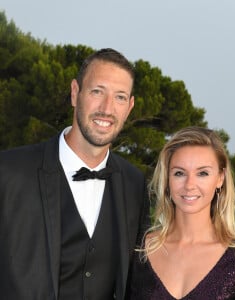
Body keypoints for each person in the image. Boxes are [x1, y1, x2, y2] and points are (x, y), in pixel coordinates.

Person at [0, 48, 149, 300]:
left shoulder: (134, 184)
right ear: (74, 93)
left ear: (130, 106)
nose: (107, 108)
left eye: (120, 97)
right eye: (97, 91)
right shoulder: (8, 171)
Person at [126, 126, 235, 300]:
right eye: (179, 173)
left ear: (220, 178)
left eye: (202, 173)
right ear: (167, 179)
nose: (189, 185)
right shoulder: (139, 249)